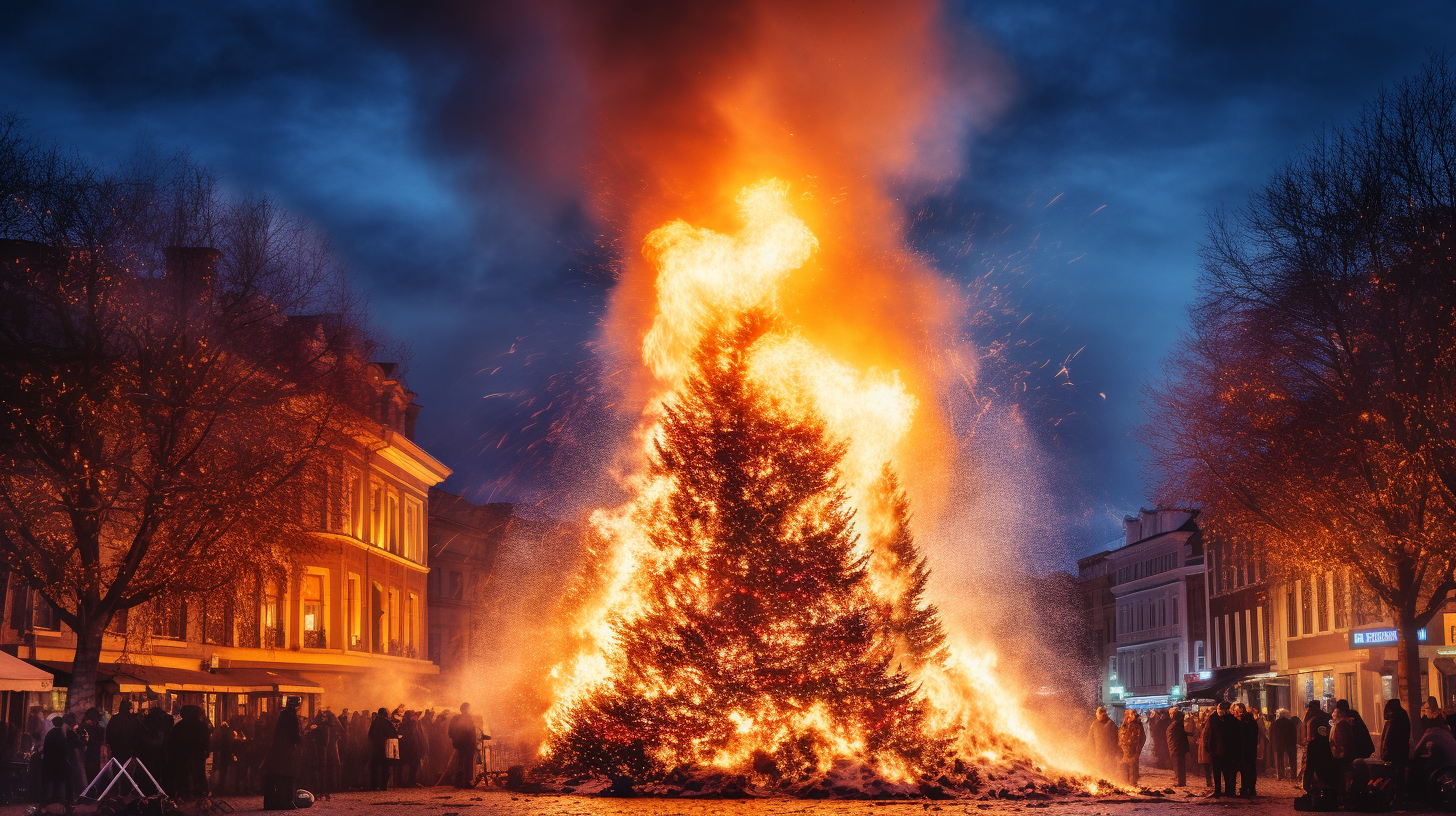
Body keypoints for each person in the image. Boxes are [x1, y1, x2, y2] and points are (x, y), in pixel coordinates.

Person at [262, 697, 303, 809]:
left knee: (275, 776)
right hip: (286, 751)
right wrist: (302, 740)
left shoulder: (282, 715)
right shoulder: (292, 717)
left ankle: (272, 802)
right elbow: (294, 735)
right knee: (287, 777)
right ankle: (286, 802)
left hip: (276, 750)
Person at [168, 704, 211, 799]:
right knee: (199, 772)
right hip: (197, 753)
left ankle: (186, 791)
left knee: (185, 773)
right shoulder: (201, 726)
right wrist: (206, 750)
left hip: (183, 754)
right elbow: (206, 739)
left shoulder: (179, 727)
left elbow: (172, 741)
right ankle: (201, 791)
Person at [1380, 698, 1411, 803]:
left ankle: (1395, 798)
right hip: (1402, 752)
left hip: (1393, 754)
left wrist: (1384, 753)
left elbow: (1388, 739)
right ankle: (1399, 797)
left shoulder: (1393, 721)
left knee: (1394, 776)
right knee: (1400, 775)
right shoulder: (1403, 717)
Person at [1213, 701, 1242, 797]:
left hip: (1221, 751)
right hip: (1228, 751)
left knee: (1222, 772)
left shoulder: (1218, 722)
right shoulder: (1235, 722)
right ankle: (1229, 790)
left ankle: (1220, 790)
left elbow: (1212, 737)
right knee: (1227, 773)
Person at [41, 716, 71, 803]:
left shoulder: (50, 733)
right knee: (58, 780)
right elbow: (64, 748)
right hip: (59, 761)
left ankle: (48, 798)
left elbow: (46, 748)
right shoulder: (61, 734)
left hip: (50, 761)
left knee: (52, 780)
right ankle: (58, 798)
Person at [448, 703, 479, 788]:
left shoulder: (456, 719)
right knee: (467, 763)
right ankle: (466, 782)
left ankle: (460, 782)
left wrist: (456, 740)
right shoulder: (465, 719)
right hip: (467, 745)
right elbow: (471, 733)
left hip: (462, 745)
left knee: (462, 763)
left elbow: (450, 733)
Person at [368, 707, 398, 791]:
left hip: (375, 748)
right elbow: (393, 735)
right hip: (385, 747)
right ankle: (383, 786)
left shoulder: (374, 723)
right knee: (385, 767)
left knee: (374, 767)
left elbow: (369, 735)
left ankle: (373, 785)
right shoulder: (387, 723)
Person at [1087, 706, 1119, 776]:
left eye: (1098, 713)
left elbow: (1116, 741)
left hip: (1109, 755)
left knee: (1109, 772)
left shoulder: (1111, 725)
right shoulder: (1095, 724)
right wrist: (1091, 752)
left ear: (1102, 714)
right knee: (1100, 772)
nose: (1096, 715)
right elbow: (1090, 739)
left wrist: (1114, 754)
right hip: (1099, 754)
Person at [1119, 709, 1145, 786]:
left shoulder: (1137, 725)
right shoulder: (1124, 725)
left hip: (1133, 751)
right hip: (1125, 751)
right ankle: (1126, 784)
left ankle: (1132, 786)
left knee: (1133, 771)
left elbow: (1142, 738)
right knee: (1125, 770)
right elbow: (1121, 736)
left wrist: (1138, 751)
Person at [1271, 709, 1297, 780]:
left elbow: (1271, 733)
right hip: (1290, 743)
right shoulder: (1290, 723)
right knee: (1292, 759)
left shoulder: (1275, 723)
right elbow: (1294, 734)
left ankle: (1279, 774)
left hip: (1278, 743)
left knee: (1279, 759)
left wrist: (1272, 742)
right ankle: (1293, 774)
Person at [1167, 708, 1190, 786]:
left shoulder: (1175, 725)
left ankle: (1179, 781)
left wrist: (1172, 749)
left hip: (1176, 748)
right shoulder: (1179, 724)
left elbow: (1172, 738)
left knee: (1178, 766)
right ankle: (1181, 781)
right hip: (1179, 748)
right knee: (1180, 766)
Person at [212, 720, 236, 795]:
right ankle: (226, 786)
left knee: (223, 771)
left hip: (223, 754)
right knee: (226, 771)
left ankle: (222, 786)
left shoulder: (222, 735)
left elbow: (217, 743)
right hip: (227, 753)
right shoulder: (229, 734)